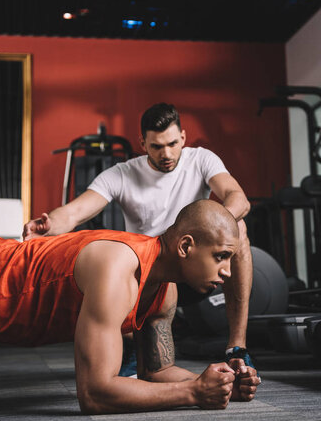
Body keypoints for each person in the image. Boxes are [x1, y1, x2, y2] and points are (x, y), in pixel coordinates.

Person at [24, 103, 253, 365]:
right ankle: (134, 342)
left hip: (192, 266)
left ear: (183, 138)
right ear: (142, 143)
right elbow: (75, 212)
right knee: (120, 267)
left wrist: (214, 226)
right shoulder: (121, 174)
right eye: (156, 146)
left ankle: (237, 347)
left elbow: (238, 198)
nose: (166, 153)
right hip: (148, 277)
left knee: (239, 228)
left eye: (172, 143)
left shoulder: (201, 159)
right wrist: (47, 225)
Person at [0, 200, 260, 414]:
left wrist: (222, 383)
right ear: (186, 246)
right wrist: (194, 391)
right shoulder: (117, 269)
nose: (227, 271)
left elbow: (157, 372)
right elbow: (94, 394)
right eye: (221, 256)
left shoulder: (166, 288)